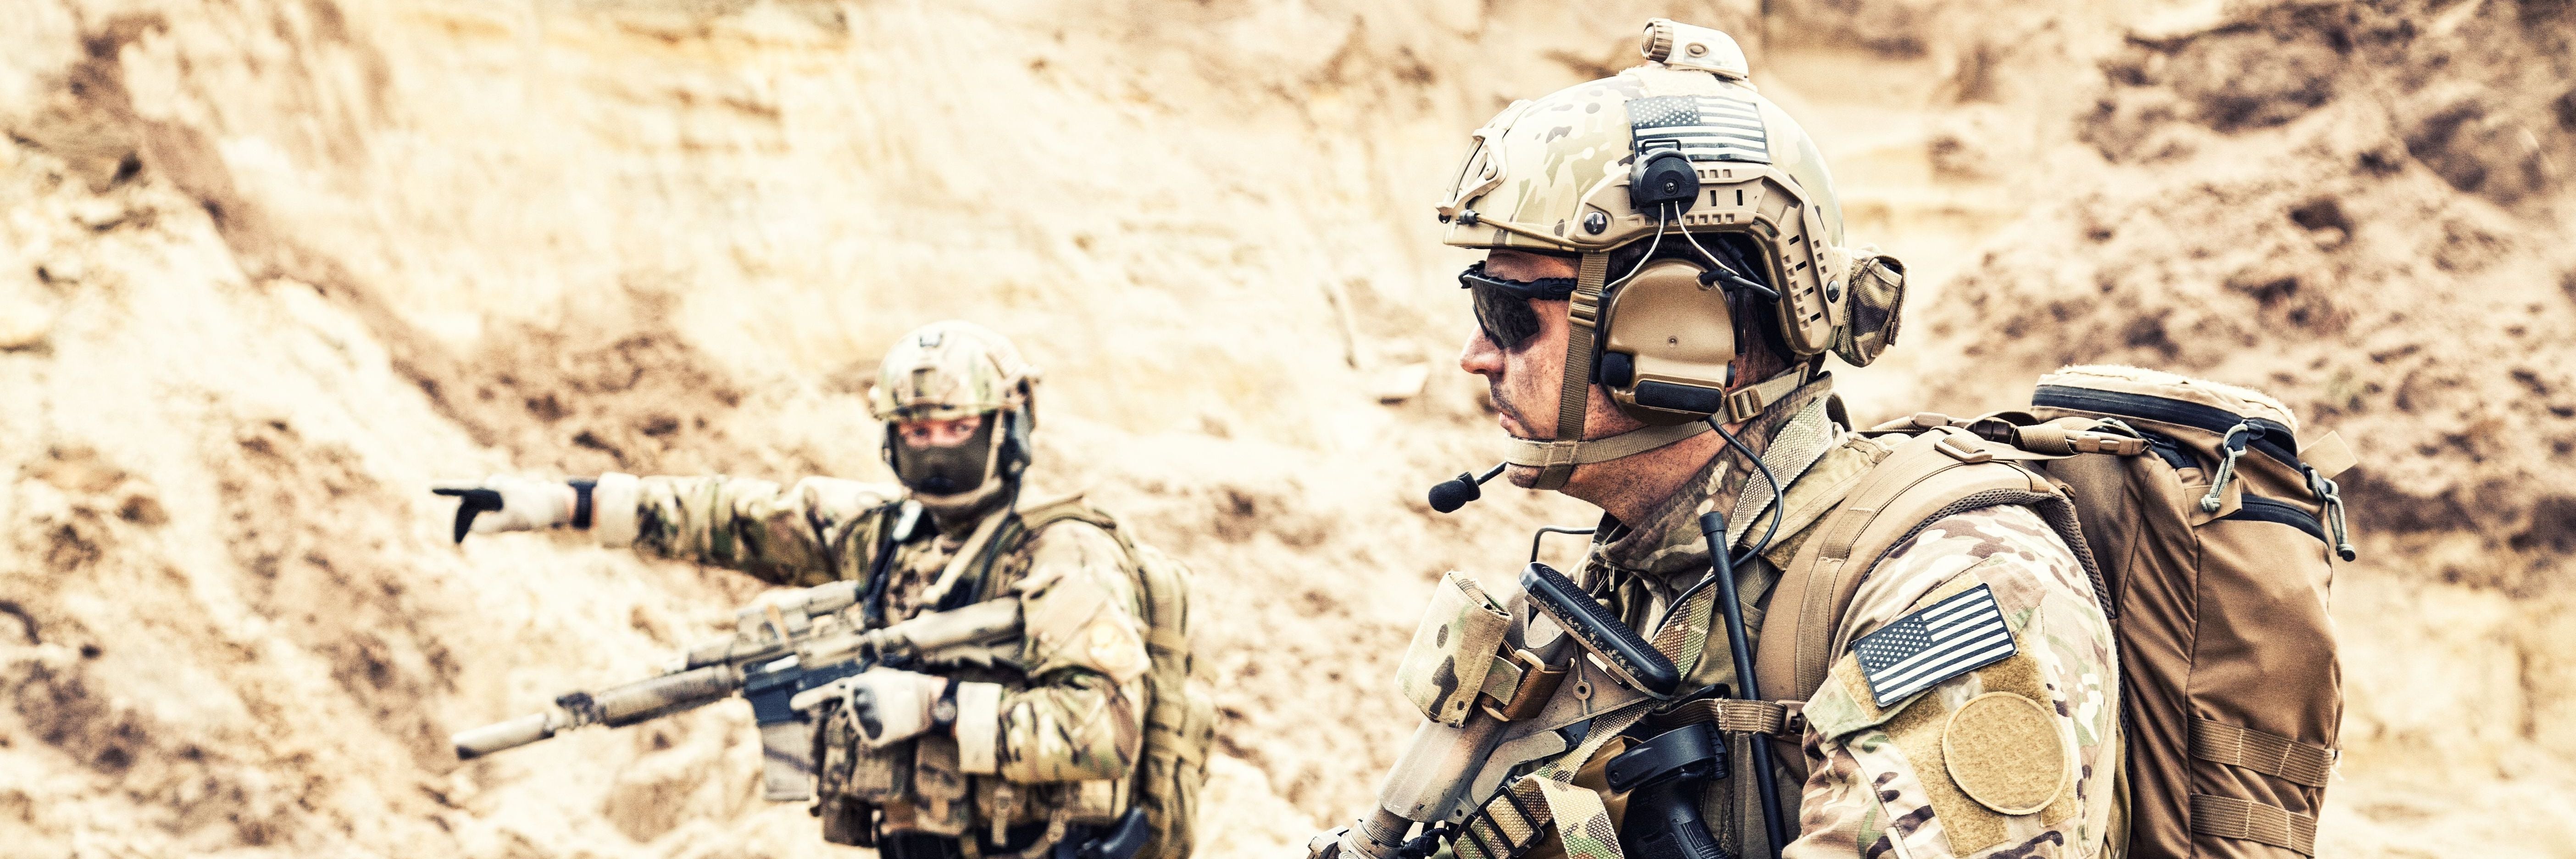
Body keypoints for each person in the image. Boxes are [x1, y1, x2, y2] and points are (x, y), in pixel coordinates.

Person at [1321, 20, 2120, 859]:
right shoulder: (1637, 580)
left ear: (1680, 331)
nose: (1474, 355)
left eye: (1509, 312)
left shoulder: (1952, 587)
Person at [437, 321, 1204, 859]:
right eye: (914, 430)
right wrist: (561, 503)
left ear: (1006, 426)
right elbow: (733, 517)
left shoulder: (1063, 553)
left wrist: (935, 707)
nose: (933, 446)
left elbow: (1102, 729)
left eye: (953, 426)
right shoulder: (893, 535)